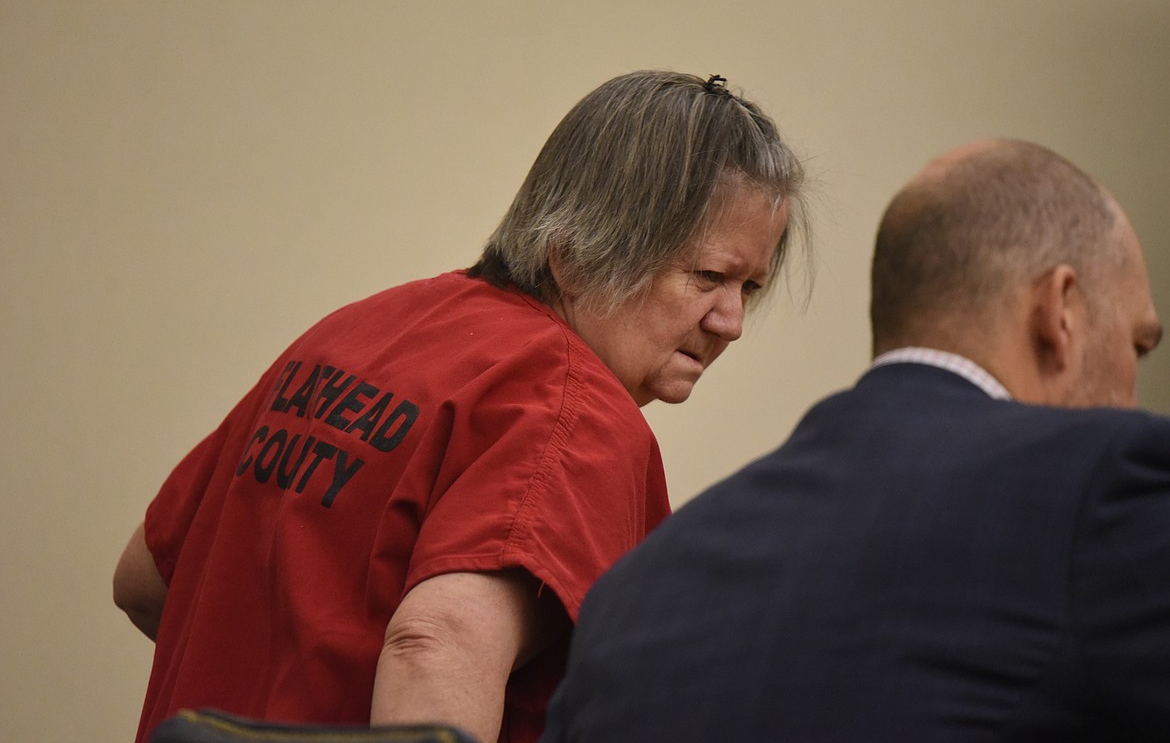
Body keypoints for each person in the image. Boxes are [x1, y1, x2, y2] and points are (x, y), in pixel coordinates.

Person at [112, 70, 808, 743]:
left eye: (748, 287)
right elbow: (434, 642)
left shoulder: (354, 333)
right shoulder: (576, 409)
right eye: (707, 276)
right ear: (571, 254)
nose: (729, 321)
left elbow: (147, 577)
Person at [541, 138, 1170, 742]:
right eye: (1138, 346)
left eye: (748, 289)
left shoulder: (633, 591)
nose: (729, 323)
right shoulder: (1102, 485)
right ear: (1060, 313)